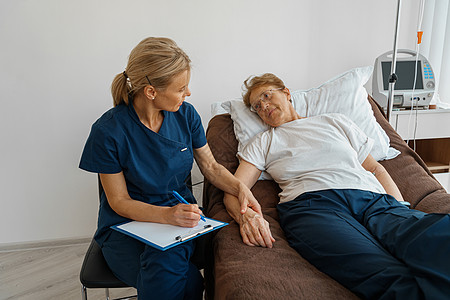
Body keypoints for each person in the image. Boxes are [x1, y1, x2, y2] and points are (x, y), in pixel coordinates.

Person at [223, 73, 450, 299]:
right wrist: (247, 218)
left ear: (286, 93)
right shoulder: (264, 142)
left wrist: (400, 206)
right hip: (313, 208)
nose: (264, 106)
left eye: (266, 95)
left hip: (373, 199)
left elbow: (376, 169)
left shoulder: (334, 121)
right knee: (380, 270)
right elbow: (235, 188)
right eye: (257, 106)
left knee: (435, 236)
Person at [79, 37, 258, 300]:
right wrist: (166, 216)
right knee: (183, 281)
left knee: (165, 268)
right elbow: (118, 201)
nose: (188, 94)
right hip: (125, 226)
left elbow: (210, 166)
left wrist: (240, 187)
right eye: (181, 88)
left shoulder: (186, 115)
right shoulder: (108, 131)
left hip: (182, 219)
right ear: (151, 91)